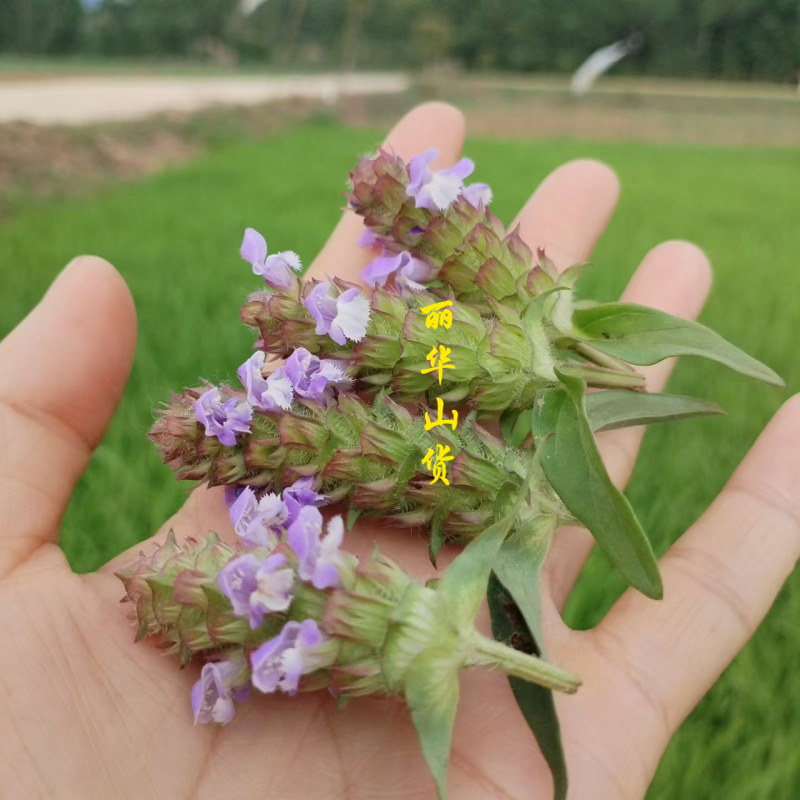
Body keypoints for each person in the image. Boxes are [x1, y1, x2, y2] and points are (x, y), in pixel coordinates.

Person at [0, 103, 796, 799]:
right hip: (421, 480)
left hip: (444, 437)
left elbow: (415, 402)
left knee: (405, 430)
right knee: (394, 441)